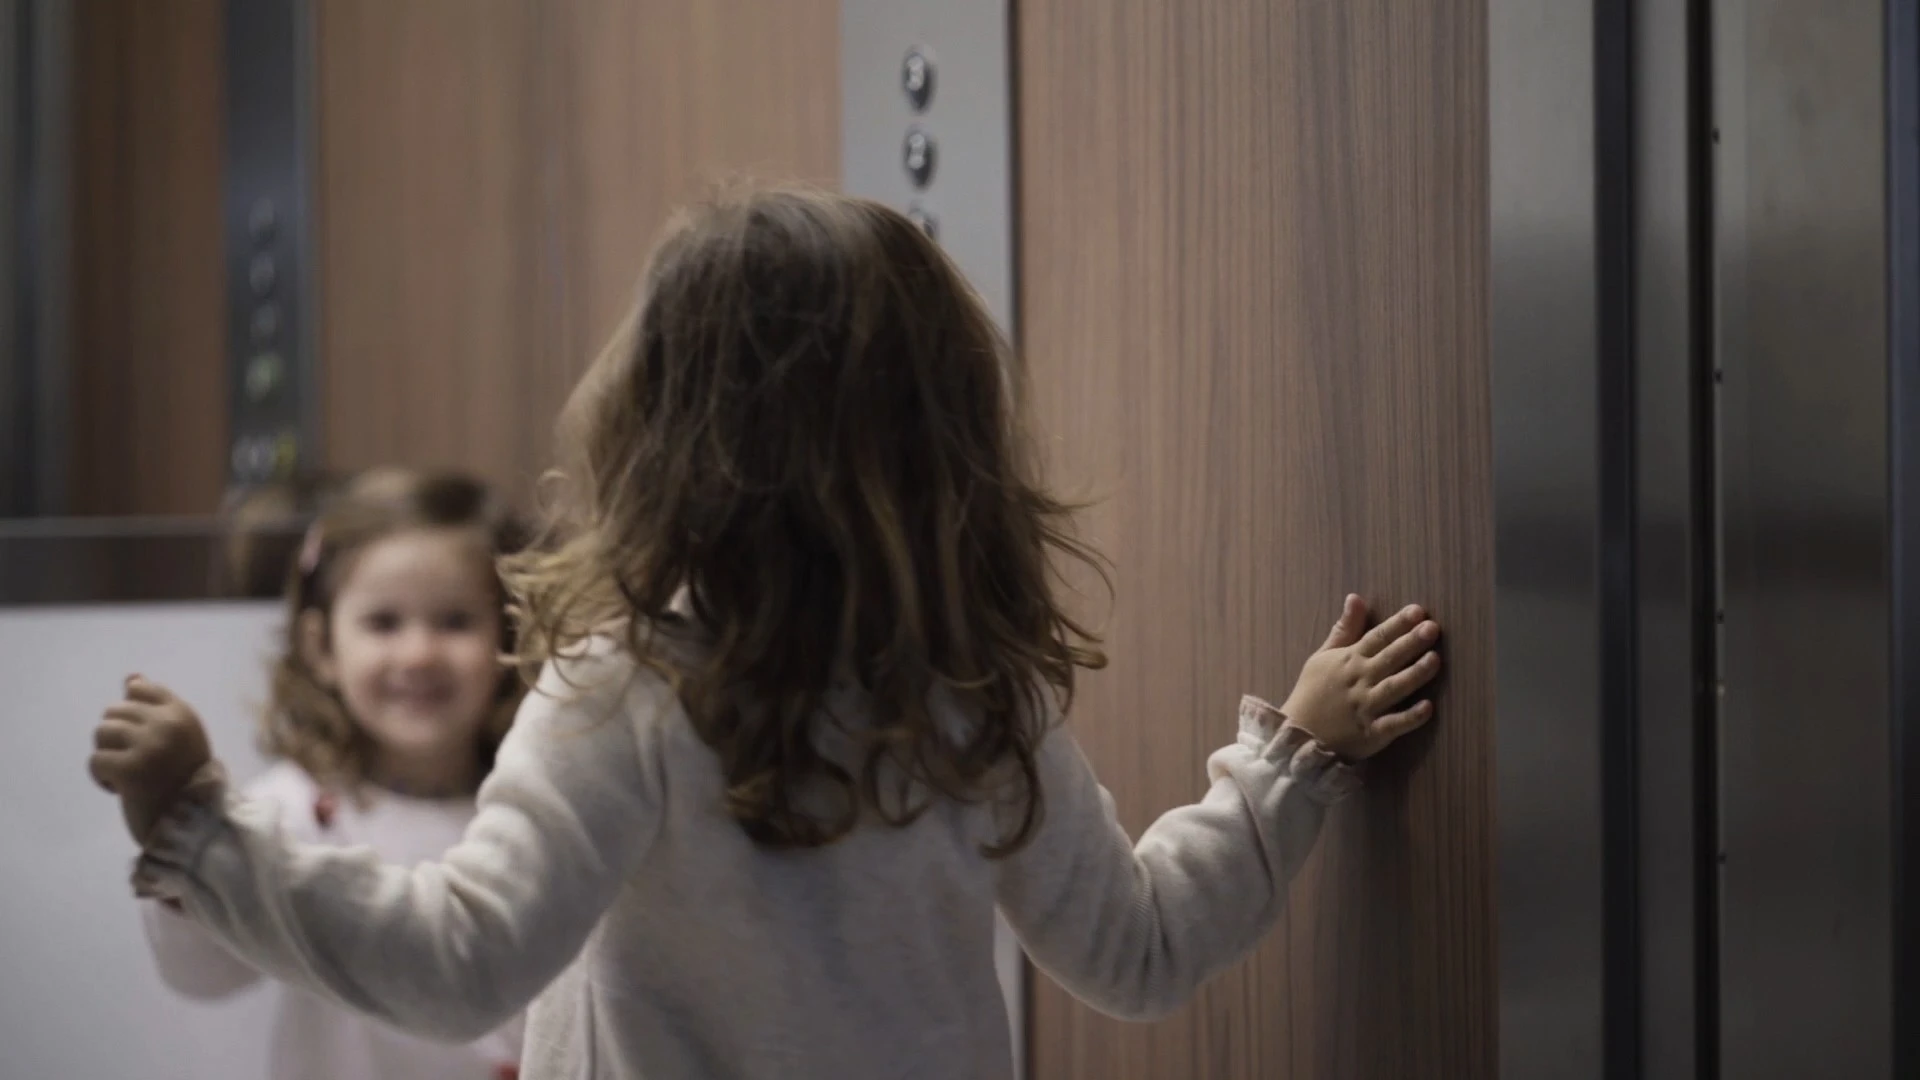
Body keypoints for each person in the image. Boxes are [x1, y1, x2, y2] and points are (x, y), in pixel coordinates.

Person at [88, 186, 1444, 1079]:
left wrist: (201, 829)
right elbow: (1140, 953)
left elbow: (459, 968)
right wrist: (1291, 763)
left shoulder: (625, 693)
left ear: (662, 434)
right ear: (945, 434)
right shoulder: (966, 691)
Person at [134, 467, 529, 1080]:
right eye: (384, 623)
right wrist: (178, 822)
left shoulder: (535, 814)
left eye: (454, 621)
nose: (419, 652)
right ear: (321, 648)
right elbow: (203, 975)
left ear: (508, 639)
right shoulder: (291, 814)